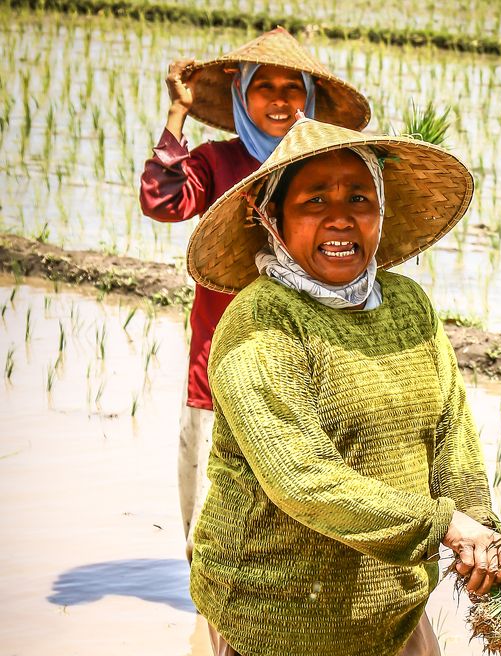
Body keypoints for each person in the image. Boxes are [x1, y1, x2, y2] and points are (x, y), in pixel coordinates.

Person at [185, 117, 501, 656]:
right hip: (286, 618)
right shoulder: (256, 328)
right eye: (315, 200)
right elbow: (304, 480)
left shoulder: (404, 306)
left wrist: (476, 529)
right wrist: (441, 526)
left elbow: (449, 428)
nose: (342, 218)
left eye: (358, 199)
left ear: (381, 215)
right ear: (270, 217)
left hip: (390, 603)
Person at [139, 28, 370, 558]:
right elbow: (162, 200)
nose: (281, 99)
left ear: (310, 99)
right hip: (220, 359)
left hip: (304, 363)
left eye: (294, 88)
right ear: (242, 95)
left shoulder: (324, 166)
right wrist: (178, 113)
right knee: (210, 521)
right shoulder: (219, 162)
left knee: (295, 516)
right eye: (264, 86)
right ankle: (210, 622)